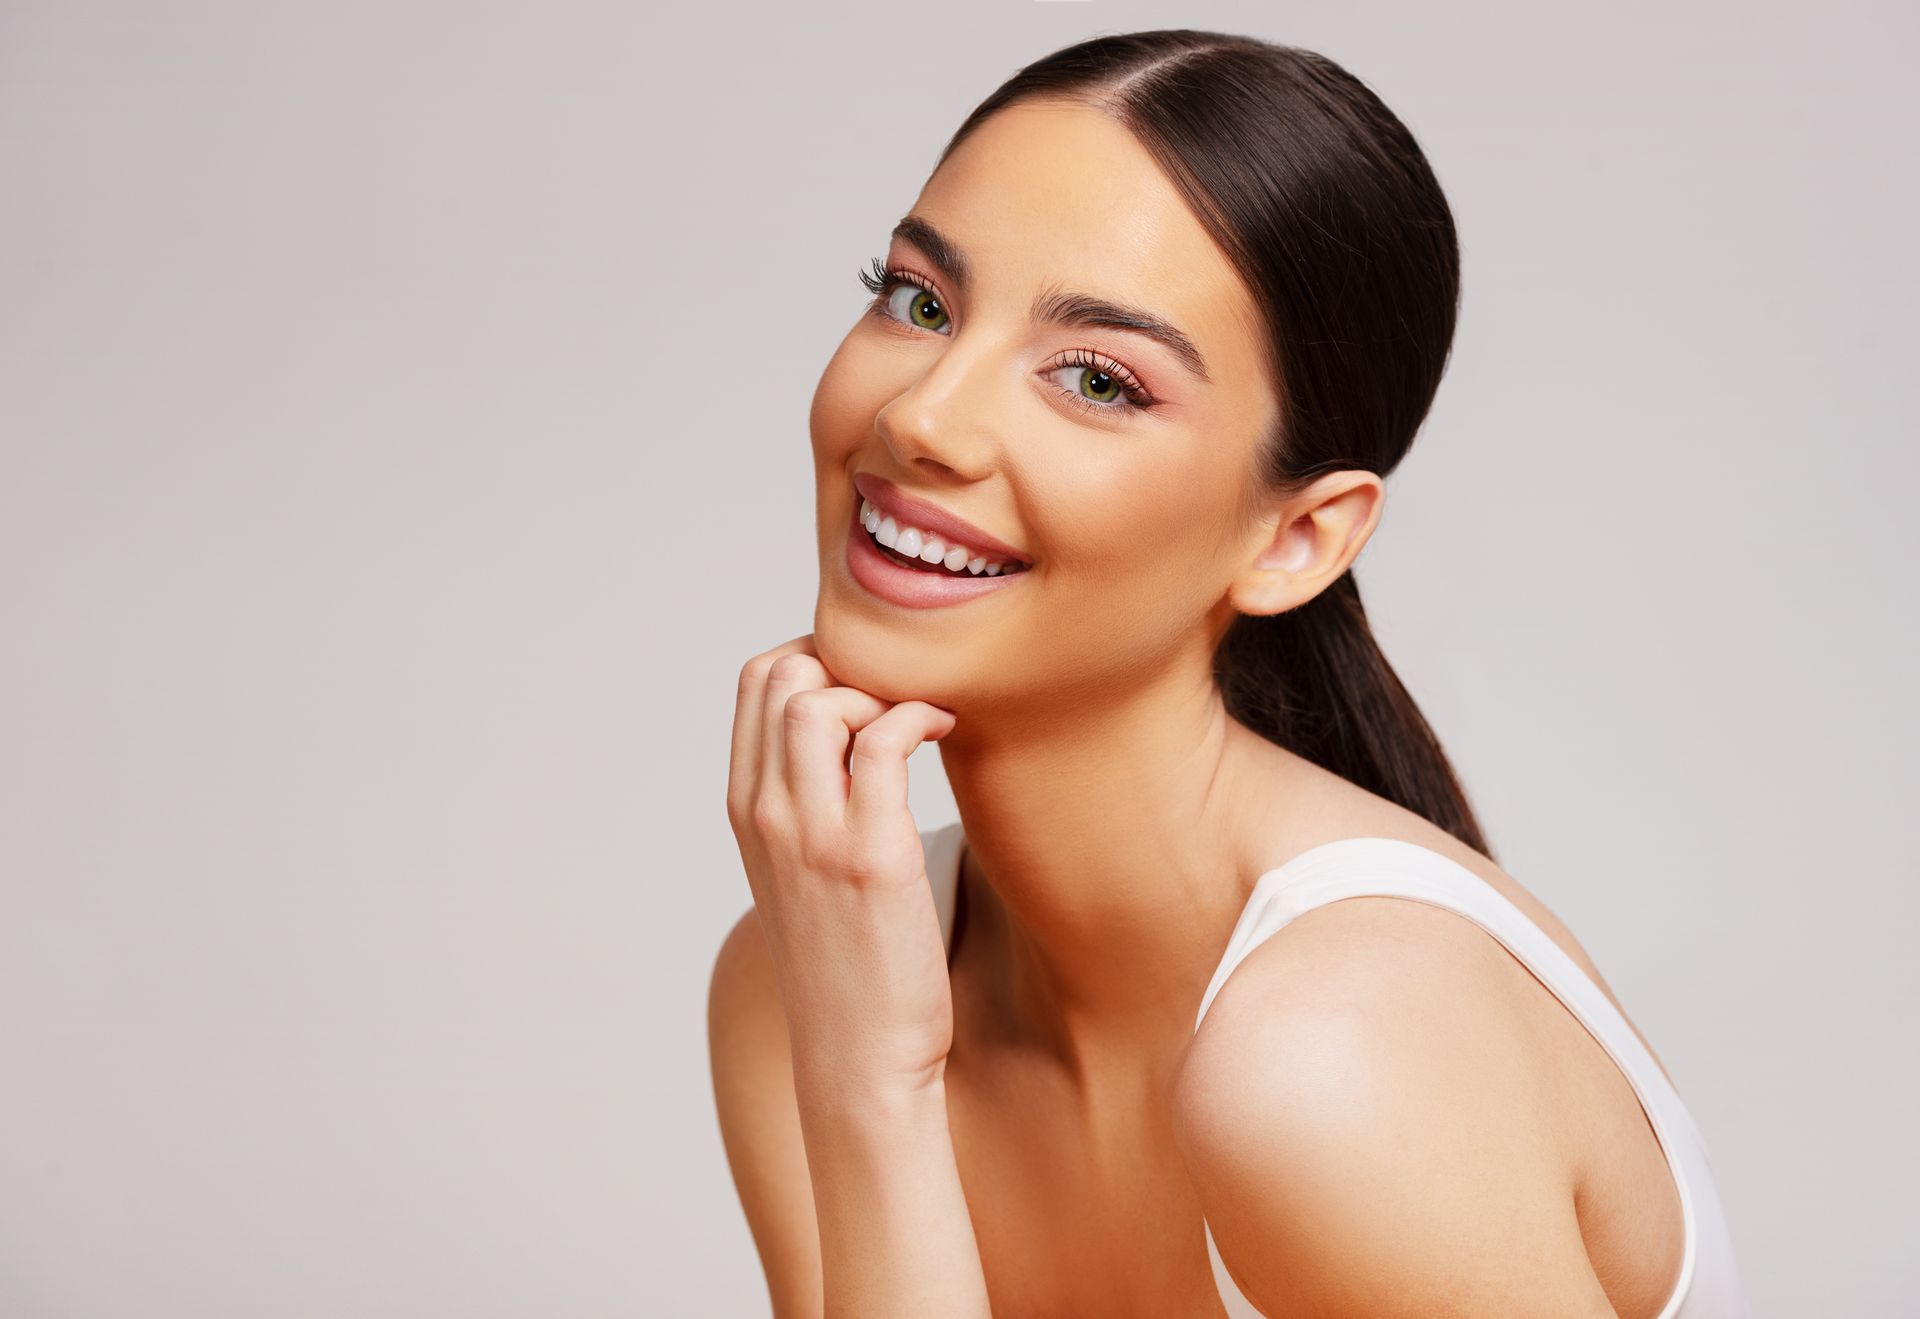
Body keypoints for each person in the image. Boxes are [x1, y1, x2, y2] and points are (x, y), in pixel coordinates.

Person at [709, 28, 1747, 1318]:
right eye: (920, 300)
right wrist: (868, 1078)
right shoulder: (811, 975)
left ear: (1295, 537)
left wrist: (868, 1081)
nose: (920, 416)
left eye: (1096, 378)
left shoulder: (1337, 1060)